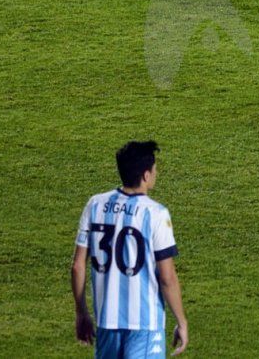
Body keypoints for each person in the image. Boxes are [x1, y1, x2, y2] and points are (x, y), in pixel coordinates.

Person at [71, 141, 188, 357]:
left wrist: (81, 313)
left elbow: (78, 266)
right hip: (144, 325)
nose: (156, 172)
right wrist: (181, 321)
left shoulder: (95, 205)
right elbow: (167, 277)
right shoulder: (156, 214)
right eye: (155, 168)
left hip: (106, 323)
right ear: (146, 175)